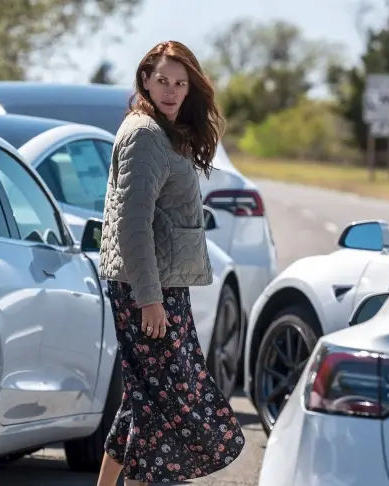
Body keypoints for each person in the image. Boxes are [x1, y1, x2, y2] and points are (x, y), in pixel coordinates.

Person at [96, 41, 245, 486]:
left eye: (180, 83)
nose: (171, 90)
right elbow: (132, 225)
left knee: (146, 400)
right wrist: (150, 300)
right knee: (169, 405)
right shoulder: (144, 135)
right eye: (163, 80)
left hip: (157, 286)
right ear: (145, 79)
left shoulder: (161, 132)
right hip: (146, 288)